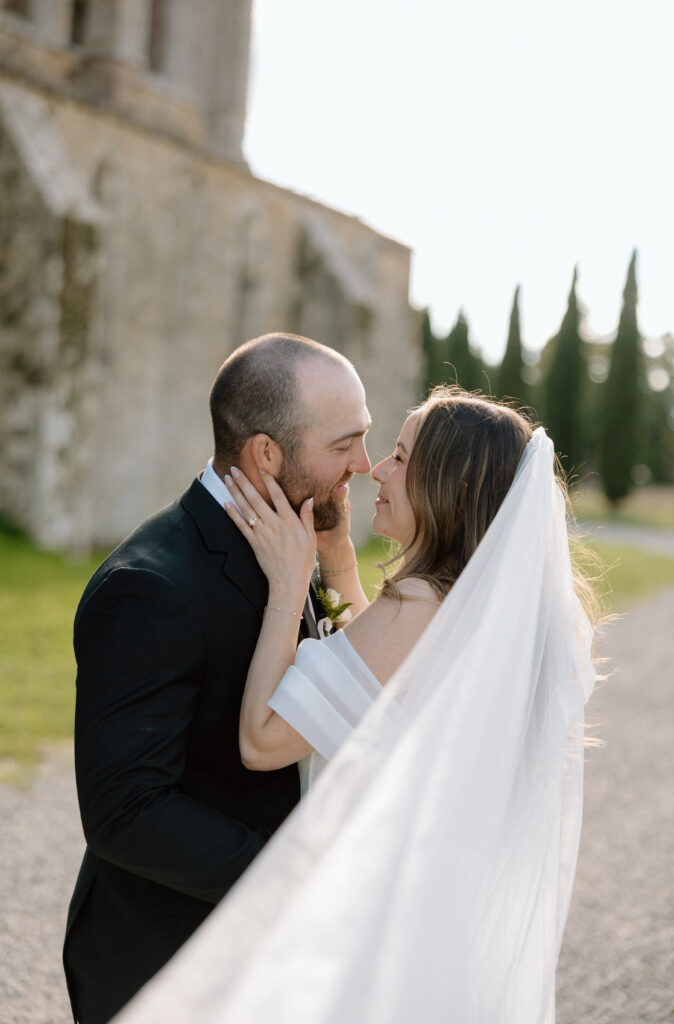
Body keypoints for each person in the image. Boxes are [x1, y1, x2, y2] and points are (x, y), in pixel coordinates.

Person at [113, 387, 597, 1024]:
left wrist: (290, 583)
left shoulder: (421, 602)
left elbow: (262, 740)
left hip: (379, 915)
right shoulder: (466, 611)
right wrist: (339, 557)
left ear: (444, 487)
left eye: (399, 457)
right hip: (435, 914)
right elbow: (387, 690)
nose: (375, 470)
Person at [62, 333, 372, 1024]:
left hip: (277, 958)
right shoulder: (149, 588)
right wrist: (294, 874)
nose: (364, 464)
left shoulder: (299, 540)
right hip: (172, 959)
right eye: (344, 443)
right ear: (266, 454)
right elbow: (127, 810)